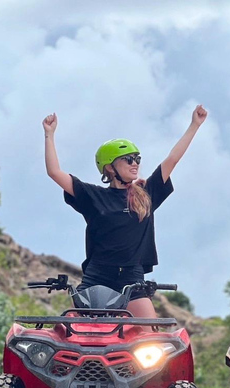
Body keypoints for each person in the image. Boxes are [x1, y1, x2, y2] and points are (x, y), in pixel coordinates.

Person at [42, 105, 208, 318]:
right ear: (110, 168)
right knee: (68, 327)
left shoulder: (146, 194)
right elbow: (54, 172)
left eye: (137, 159)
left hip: (132, 277)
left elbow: (172, 159)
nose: (135, 164)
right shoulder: (94, 196)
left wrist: (194, 125)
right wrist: (49, 134)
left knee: (152, 335)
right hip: (97, 276)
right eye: (128, 159)